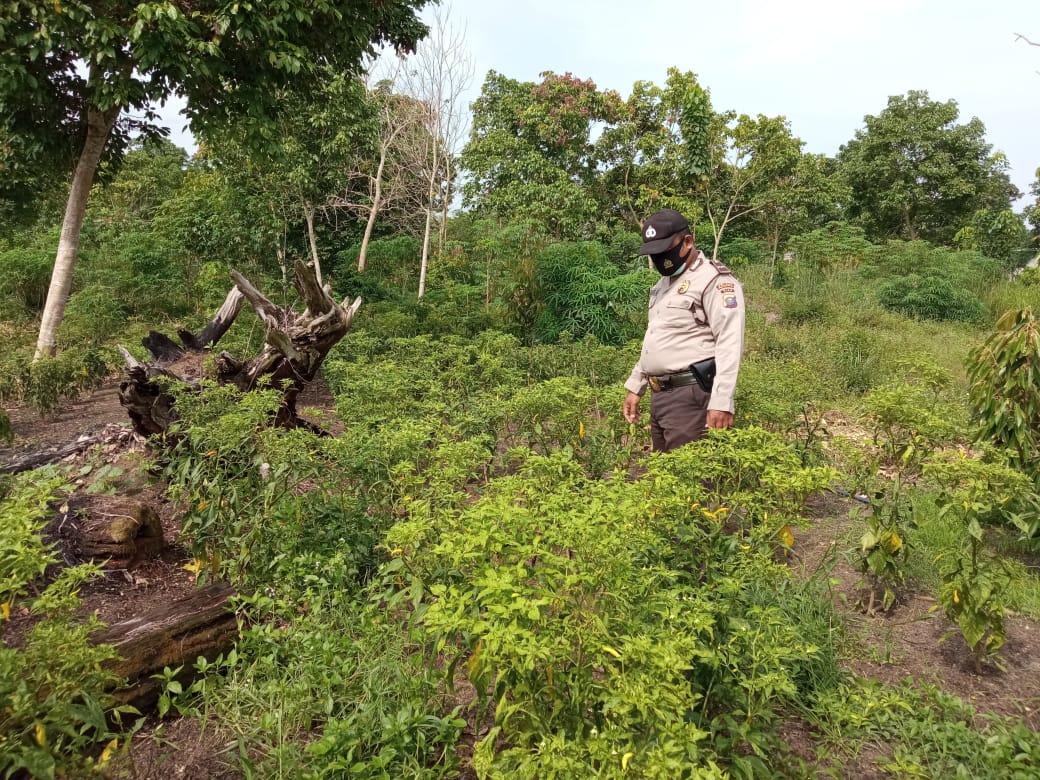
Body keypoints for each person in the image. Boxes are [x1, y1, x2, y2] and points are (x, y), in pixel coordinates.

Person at [622, 209, 745, 452]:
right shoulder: (663, 285)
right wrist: (637, 385)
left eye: (664, 251)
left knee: (690, 481)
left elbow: (729, 342)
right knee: (664, 477)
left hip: (691, 396)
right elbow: (657, 339)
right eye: (654, 253)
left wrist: (721, 401)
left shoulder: (713, 280)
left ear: (687, 242)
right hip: (661, 396)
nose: (659, 259)